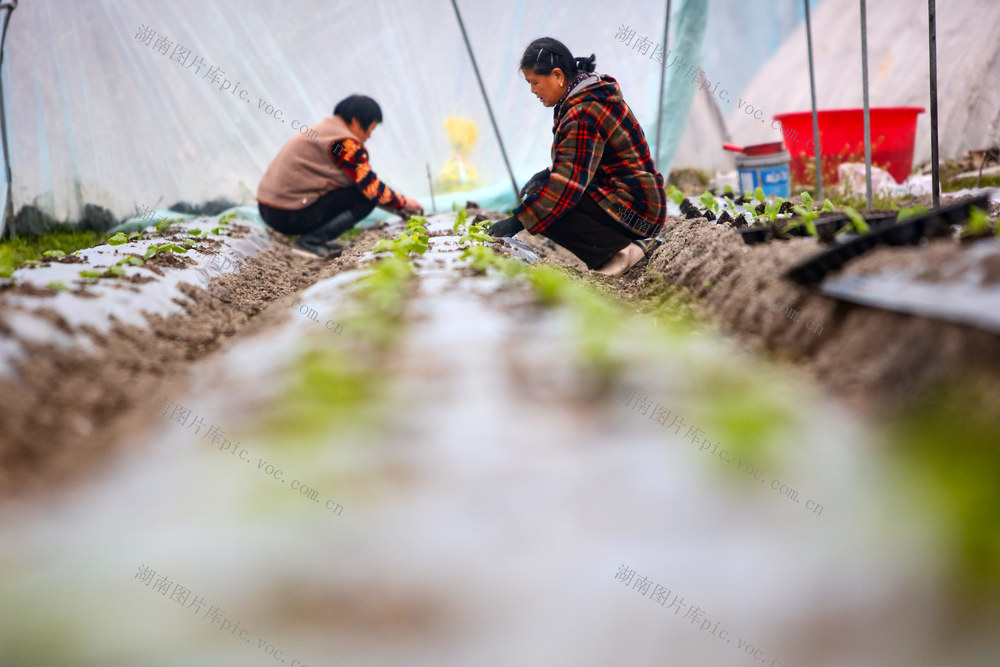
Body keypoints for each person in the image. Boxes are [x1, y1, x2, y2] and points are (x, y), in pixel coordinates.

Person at [488, 38, 666, 276]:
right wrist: (546, 176)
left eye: (535, 82)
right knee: (544, 196)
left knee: (549, 205)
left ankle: (622, 254)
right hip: (636, 205)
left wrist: (516, 222)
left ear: (558, 76)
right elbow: (582, 162)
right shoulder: (583, 98)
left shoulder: (583, 111)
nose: (532, 90)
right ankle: (619, 248)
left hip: (638, 213)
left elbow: (567, 185)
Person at [257, 95, 424, 258]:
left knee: (356, 191)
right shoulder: (344, 143)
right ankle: (310, 243)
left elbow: (360, 182)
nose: (369, 137)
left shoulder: (325, 132)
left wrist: (397, 207)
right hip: (287, 214)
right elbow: (371, 188)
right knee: (365, 198)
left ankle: (314, 240)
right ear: (356, 122)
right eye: (371, 129)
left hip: (272, 209)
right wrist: (404, 202)